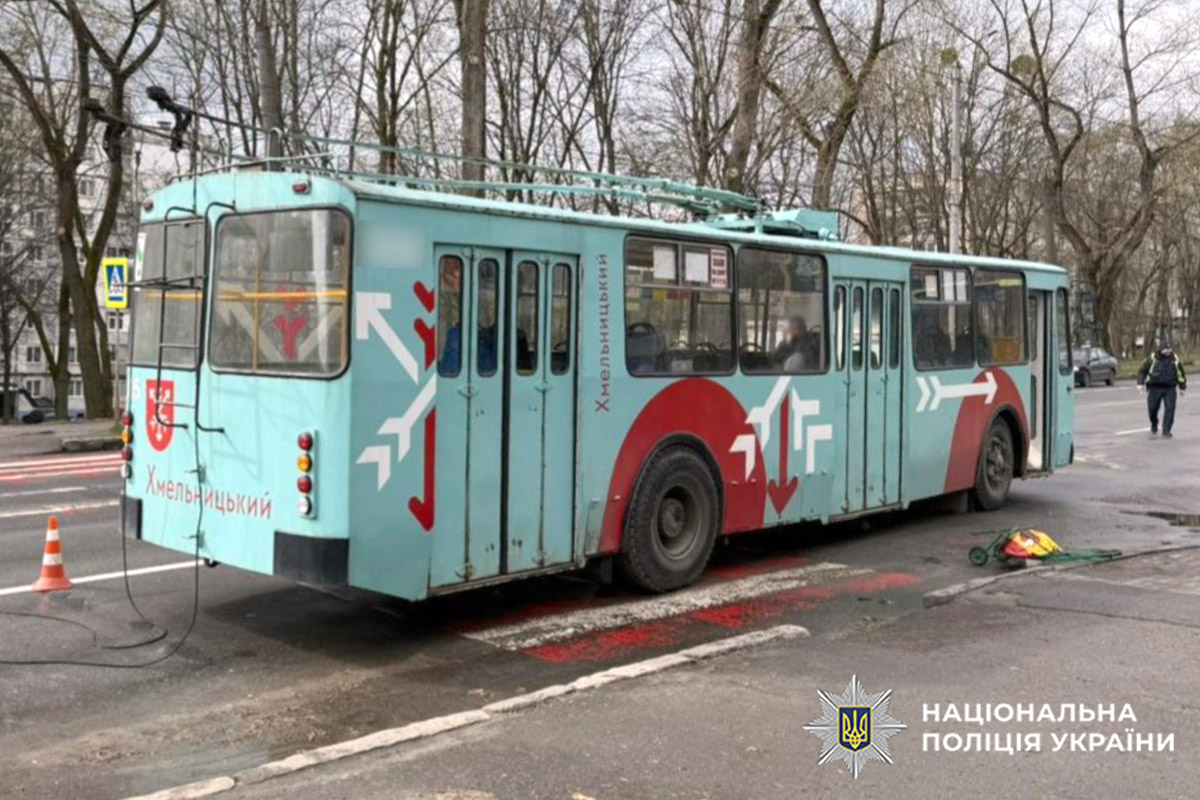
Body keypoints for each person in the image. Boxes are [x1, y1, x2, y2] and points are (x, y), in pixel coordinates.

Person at [1137, 342, 1187, 438]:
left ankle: (1166, 430)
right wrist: (1140, 383)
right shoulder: (1153, 358)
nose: (1168, 351)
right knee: (1152, 408)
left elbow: (1180, 373)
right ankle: (1154, 423)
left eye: (1169, 349)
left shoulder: (1174, 359)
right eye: (1166, 349)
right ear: (1160, 349)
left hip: (1170, 387)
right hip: (1155, 387)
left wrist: (1182, 387)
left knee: (1170, 408)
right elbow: (1142, 370)